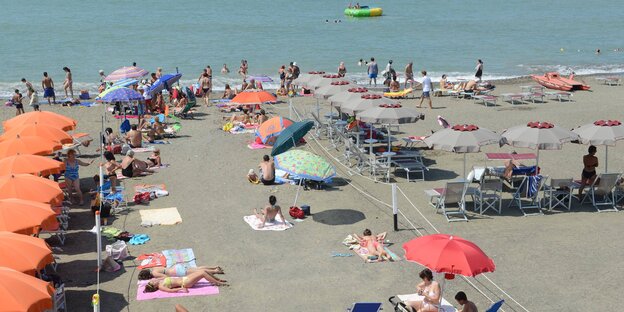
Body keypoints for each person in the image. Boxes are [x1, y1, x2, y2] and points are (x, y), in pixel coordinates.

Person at [143, 271, 228, 293]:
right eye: (151, 283)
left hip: (185, 279)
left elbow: (163, 276)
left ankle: (217, 280)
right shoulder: (161, 287)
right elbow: (171, 290)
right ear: (154, 286)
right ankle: (219, 283)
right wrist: (182, 288)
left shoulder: (160, 281)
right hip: (186, 283)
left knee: (203, 272)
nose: (152, 281)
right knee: (202, 273)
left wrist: (154, 280)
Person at [138, 265, 223, 280]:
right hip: (176, 267)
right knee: (197, 268)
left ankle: (215, 271)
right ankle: (214, 267)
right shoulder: (154, 268)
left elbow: (165, 277)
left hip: (178, 272)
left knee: (199, 271)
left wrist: (157, 279)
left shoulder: (154, 273)